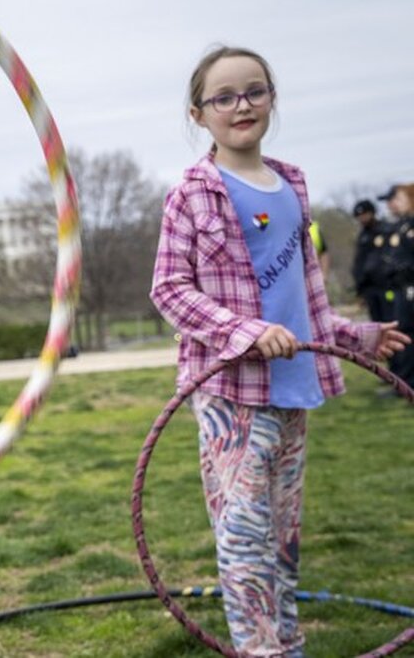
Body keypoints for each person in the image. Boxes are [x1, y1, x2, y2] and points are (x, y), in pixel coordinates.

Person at [150, 46, 409, 657]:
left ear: (271, 99)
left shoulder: (291, 184)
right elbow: (168, 289)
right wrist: (242, 332)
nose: (242, 105)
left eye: (255, 91)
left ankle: (285, 642)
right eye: (225, 97)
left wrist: (357, 336)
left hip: (293, 384)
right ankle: (262, 651)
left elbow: (305, 299)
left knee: (282, 534)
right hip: (230, 393)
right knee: (242, 534)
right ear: (199, 114)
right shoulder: (192, 194)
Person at [378, 183, 414, 389]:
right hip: (400, 287)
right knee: (405, 333)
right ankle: (405, 383)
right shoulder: (402, 226)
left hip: (409, 287)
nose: (394, 204)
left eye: (400, 199)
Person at [352, 199, 391, 323]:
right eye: (359, 216)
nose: (362, 218)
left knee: (391, 319)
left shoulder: (385, 230)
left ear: (372, 213)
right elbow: (360, 262)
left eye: (364, 214)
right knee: (377, 322)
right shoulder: (362, 235)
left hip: (386, 285)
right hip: (369, 287)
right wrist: (360, 288)